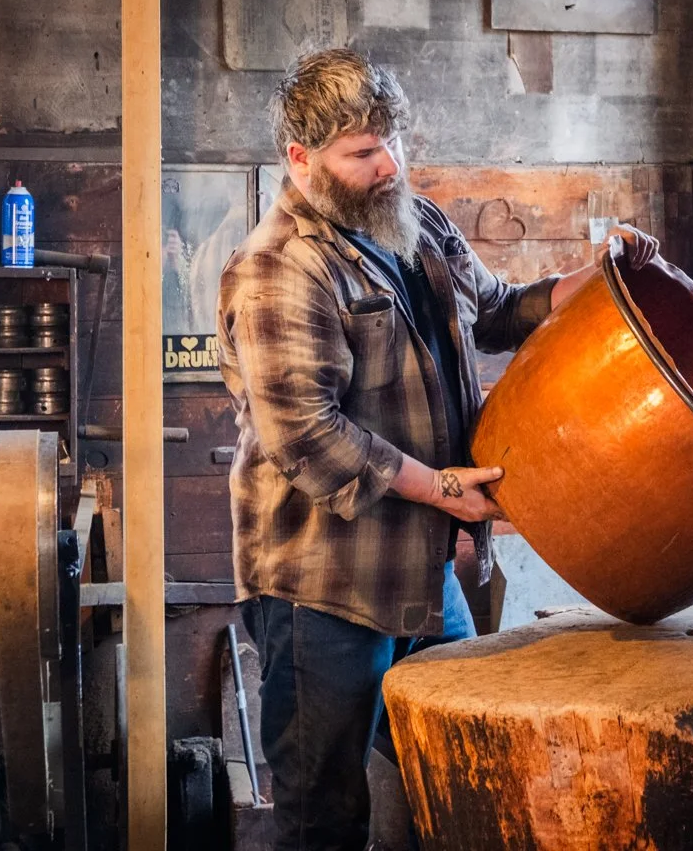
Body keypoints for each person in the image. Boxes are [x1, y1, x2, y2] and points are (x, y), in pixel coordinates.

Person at [216, 47, 658, 850]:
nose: (388, 166)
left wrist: (598, 275)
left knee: (446, 770)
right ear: (301, 160)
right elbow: (307, 438)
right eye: (361, 153)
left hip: (419, 572)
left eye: (392, 143)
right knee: (324, 818)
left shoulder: (416, 226)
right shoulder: (280, 268)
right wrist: (442, 490)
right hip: (323, 586)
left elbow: (496, 312)